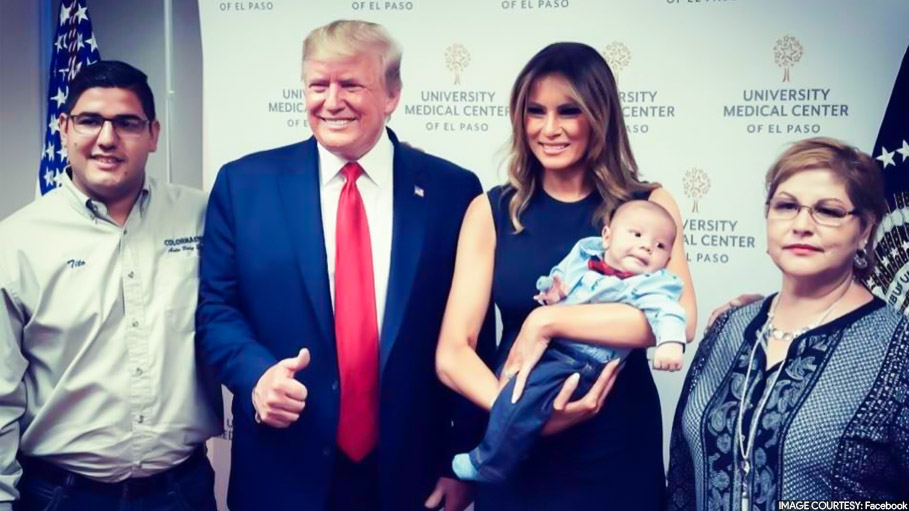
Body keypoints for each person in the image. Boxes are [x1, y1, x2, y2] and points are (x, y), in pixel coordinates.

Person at [195, 20, 491, 511]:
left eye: (351, 84)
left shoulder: (452, 191)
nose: (331, 101)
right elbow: (216, 311)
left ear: (392, 94)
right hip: (282, 470)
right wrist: (257, 375)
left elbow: (475, 335)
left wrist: (462, 460)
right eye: (318, 85)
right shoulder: (244, 184)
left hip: (412, 478)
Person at [435, 42, 698, 511]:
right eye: (535, 112)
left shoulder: (648, 204)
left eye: (568, 112)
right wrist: (520, 414)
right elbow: (453, 351)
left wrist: (548, 322)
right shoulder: (491, 210)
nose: (548, 128)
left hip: (614, 447)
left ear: (599, 116)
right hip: (514, 452)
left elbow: (675, 318)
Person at [0, 61, 221, 511]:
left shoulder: (206, 218)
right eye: (89, 121)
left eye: (126, 123)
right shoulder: (15, 243)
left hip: (182, 492)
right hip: (61, 496)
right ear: (63, 128)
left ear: (153, 134)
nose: (106, 138)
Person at [666, 137, 909, 510]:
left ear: (864, 230)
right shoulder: (730, 328)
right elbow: (683, 477)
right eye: (786, 206)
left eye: (828, 211)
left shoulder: (897, 348)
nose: (801, 225)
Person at [452, 199, 687, 483]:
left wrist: (671, 343)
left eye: (660, 246)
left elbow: (671, 313)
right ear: (607, 235)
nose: (647, 246)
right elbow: (561, 277)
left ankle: (488, 462)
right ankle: (513, 437)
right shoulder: (585, 259)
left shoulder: (649, 285)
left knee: (530, 392)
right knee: (512, 383)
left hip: (585, 365)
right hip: (553, 353)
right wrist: (551, 290)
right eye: (636, 235)